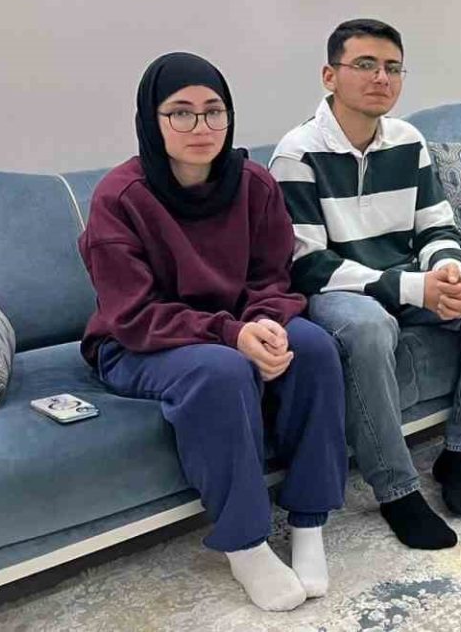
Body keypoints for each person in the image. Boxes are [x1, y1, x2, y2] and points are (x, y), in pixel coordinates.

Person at [79, 52, 347, 612]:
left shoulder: (254, 184)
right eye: (180, 112)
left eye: (213, 111)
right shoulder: (119, 198)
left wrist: (265, 321)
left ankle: (308, 523)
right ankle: (245, 544)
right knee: (222, 372)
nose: (200, 126)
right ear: (151, 120)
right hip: (138, 342)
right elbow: (133, 313)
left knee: (315, 347)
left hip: (235, 327)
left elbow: (273, 276)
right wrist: (232, 334)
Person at [271, 19, 461, 551]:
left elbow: (436, 226)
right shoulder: (296, 154)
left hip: (409, 276)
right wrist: (415, 289)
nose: (381, 78)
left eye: (392, 67)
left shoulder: (408, 141)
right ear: (330, 75)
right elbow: (307, 265)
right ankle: (396, 490)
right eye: (365, 64)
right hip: (338, 293)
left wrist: (448, 269)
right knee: (369, 329)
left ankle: (459, 452)